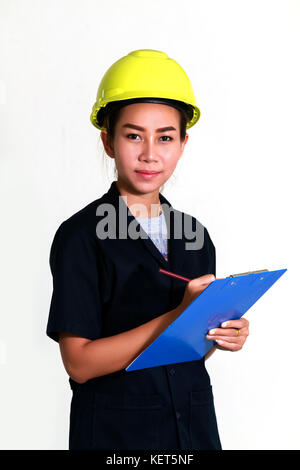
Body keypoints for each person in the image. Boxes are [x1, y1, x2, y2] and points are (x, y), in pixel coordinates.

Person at [46, 49, 249, 451]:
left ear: (183, 142)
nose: (150, 153)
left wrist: (220, 334)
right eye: (133, 135)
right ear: (108, 139)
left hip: (193, 432)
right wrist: (177, 317)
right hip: (117, 439)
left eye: (165, 137)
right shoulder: (81, 236)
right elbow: (79, 363)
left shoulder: (196, 236)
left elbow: (186, 353)